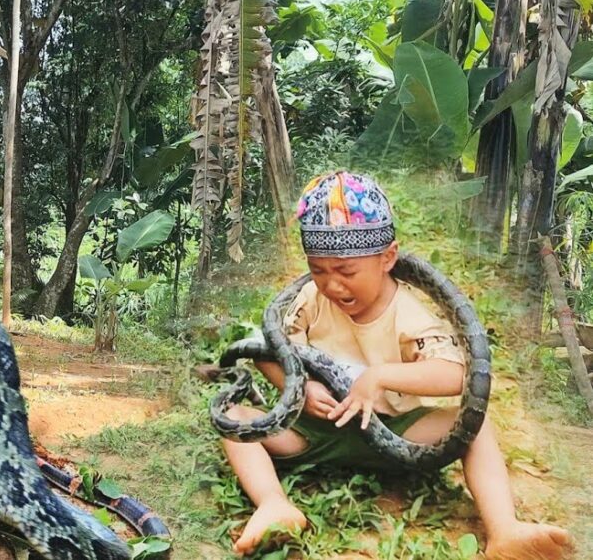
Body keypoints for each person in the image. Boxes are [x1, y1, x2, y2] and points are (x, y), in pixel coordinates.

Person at [220, 170, 574, 560]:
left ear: (388, 258)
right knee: (235, 418)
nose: (332, 285)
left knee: (476, 425)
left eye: (346, 272)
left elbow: (457, 375)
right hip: (318, 429)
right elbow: (276, 352)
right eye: (319, 270)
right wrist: (300, 389)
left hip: (398, 429)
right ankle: (274, 504)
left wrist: (381, 377)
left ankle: (504, 528)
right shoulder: (310, 298)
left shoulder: (408, 314)